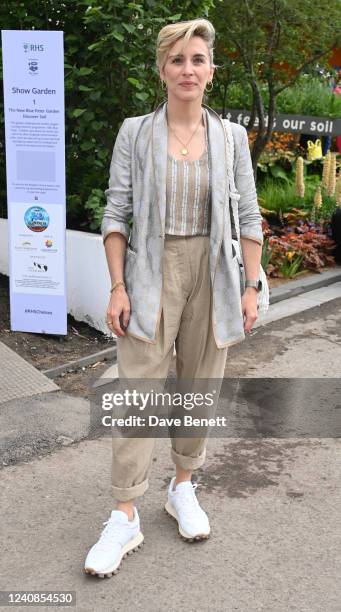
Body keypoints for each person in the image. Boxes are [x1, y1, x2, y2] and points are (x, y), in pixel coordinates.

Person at [84, 18, 264, 578]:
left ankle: (182, 485)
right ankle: (124, 514)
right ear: (162, 69)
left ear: (211, 71)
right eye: (178, 59)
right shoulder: (135, 132)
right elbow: (115, 213)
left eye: (198, 59)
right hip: (149, 273)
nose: (188, 69)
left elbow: (250, 217)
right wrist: (117, 285)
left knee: (198, 385)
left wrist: (252, 287)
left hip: (214, 275)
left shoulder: (231, 138)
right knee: (137, 390)